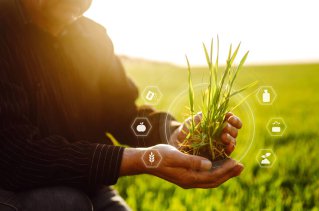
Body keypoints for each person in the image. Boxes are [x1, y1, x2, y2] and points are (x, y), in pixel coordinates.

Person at [0, 0, 244, 210]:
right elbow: (14, 155)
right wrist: (143, 159)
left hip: (89, 186)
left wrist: (175, 133)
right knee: (65, 203)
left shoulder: (93, 38)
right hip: (13, 189)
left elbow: (123, 114)